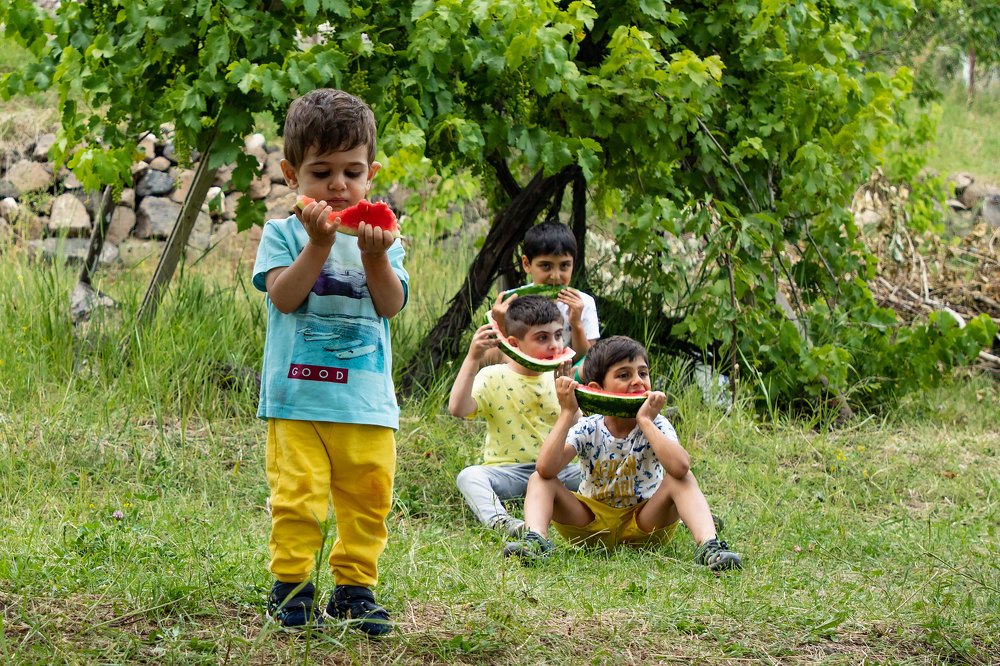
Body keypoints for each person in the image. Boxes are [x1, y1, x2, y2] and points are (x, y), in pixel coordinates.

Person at [252, 88, 407, 635]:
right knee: (298, 497)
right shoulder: (282, 233)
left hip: (366, 404)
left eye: (352, 171)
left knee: (368, 499)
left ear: (372, 174)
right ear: (291, 174)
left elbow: (390, 305)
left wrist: (374, 255)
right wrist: (317, 246)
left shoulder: (384, 239)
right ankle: (291, 588)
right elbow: (284, 297)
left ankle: (354, 590)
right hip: (297, 399)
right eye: (321, 173)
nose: (339, 185)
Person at [503, 336, 743, 572]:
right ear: (597, 389)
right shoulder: (589, 427)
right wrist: (567, 412)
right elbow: (546, 469)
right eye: (624, 375)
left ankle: (710, 546)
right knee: (539, 481)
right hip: (590, 526)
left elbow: (680, 467)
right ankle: (535, 540)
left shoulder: (656, 424)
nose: (638, 381)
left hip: (645, 523)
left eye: (643, 373)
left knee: (683, 479)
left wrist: (646, 422)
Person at [448, 296, 584, 538]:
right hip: (507, 472)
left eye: (558, 335)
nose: (554, 345)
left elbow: (579, 430)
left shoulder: (560, 379)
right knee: (469, 476)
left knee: (597, 469)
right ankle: (504, 523)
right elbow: (458, 408)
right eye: (542, 337)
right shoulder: (493, 376)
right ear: (514, 342)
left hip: (556, 471)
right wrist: (472, 358)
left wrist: (568, 406)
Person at [492, 221, 600, 363]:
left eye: (564, 265)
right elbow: (499, 357)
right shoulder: (511, 301)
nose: (555, 276)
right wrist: (501, 323)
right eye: (545, 266)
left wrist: (576, 323)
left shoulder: (584, 303)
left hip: (566, 378)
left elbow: (587, 362)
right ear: (526, 264)